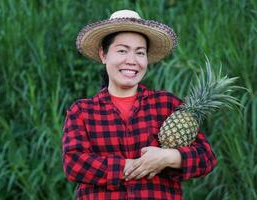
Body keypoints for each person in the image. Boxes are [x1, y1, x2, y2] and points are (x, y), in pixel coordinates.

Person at [62, 10, 217, 199]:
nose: (132, 60)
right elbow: (74, 163)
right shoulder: (83, 111)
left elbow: (206, 157)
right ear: (103, 54)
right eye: (122, 50)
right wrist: (130, 167)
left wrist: (167, 158)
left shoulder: (167, 105)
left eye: (140, 52)